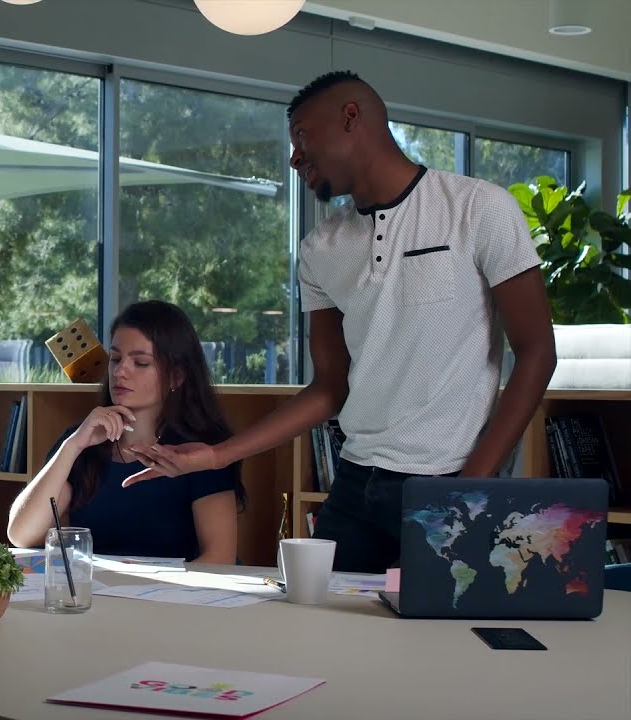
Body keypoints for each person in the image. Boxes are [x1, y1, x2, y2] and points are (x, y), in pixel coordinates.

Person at [123, 71, 556, 573]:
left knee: (432, 625)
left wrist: (471, 487)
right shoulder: (320, 249)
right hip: (354, 485)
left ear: (351, 117)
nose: (294, 158)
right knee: (311, 618)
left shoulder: (479, 208)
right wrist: (218, 456)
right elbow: (330, 387)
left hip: (450, 480)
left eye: (302, 137)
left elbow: (537, 353)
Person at [6, 301, 244, 563]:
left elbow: (220, 558)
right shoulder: (83, 443)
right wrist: (72, 446)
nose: (120, 372)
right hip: (95, 587)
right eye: (116, 359)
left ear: (176, 376)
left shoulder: (202, 452)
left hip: (175, 589)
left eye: (141, 363)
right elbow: (21, 535)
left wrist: (151, 586)